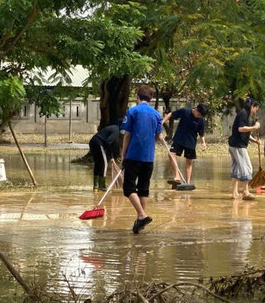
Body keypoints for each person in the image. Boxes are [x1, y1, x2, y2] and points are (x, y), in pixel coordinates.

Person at [120, 85, 164, 234]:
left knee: (128, 188)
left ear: (138, 97)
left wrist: (123, 156)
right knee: (143, 189)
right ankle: (140, 219)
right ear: (150, 99)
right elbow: (158, 137)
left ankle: (142, 214)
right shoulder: (157, 115)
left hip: (133, 155)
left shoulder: (132, 111)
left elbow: (127, 135)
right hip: (149, 157)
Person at [162, 104, 208, 185]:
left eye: (201, 116)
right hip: (179, 139)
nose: (199, 117)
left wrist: (203, 143)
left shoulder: (201, 120)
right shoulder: (185, 111)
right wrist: (162, 122)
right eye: (199, 114)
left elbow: (201, 133)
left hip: (190, 142)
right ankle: (177, 176)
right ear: (196, 109)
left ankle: (188, 182)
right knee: (171, 154)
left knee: (189, 162)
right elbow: (171, 114)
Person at [228, 98, 261, 200]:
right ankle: (245, 192)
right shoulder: (243, 114)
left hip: (234, 145)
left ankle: (234, 193)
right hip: (238, 146)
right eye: (256, 109)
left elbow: (245, 132)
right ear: (252, 107)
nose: (255, 111)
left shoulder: (244, 114)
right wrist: (255, 127)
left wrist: (255, 141)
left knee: (236, 169)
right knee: (247, 168)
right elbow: (241, 129)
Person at [89, 123, 121, 191]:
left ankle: (96, 186)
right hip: (98, 143)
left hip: (92, 142)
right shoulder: (116, 130)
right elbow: (108, 142)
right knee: (104, 163)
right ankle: (102, 186)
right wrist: (111, 157)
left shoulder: (114, 127)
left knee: (98, 164)